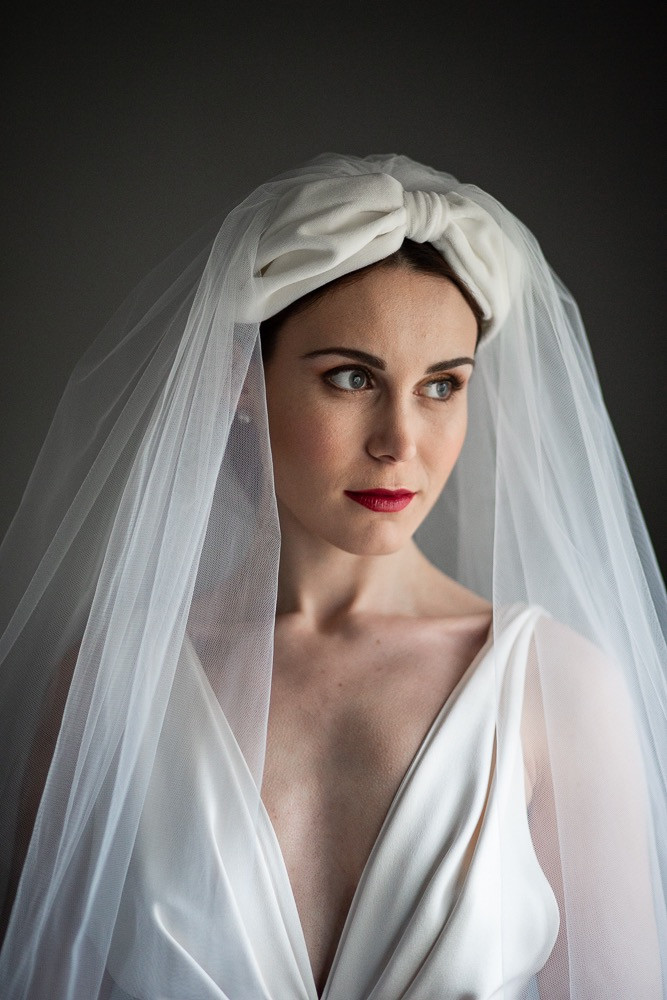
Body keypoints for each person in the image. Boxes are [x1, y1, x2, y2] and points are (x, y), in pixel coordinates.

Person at [0, 153, 665, 999]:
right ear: (242, 383)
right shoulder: (113, 684)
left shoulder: (555, 685)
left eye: (440, 386)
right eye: (351, 378)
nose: (400, 440)